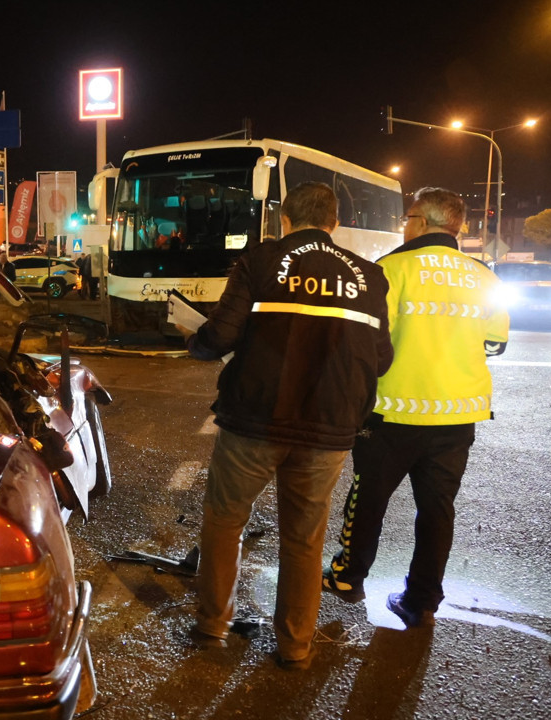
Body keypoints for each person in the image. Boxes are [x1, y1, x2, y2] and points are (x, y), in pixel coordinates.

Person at [179, 182, 393, 669]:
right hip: (330, 428)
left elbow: (221, 335)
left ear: (285, 218)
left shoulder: (260, 260)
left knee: (225, 520)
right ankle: (296, 646)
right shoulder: (369, 276)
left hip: (256, 419)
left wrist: (194, 339)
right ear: (334, 222)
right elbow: (380, 359)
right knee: (303, 538)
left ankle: (213, 623)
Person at [323, 188, 509, 628]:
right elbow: (495, 342)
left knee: (367, 497)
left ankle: (348, 577)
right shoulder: (484, 276)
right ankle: (422, 598)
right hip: (458, 414)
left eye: (407, 217)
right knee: (438, 508)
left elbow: (364, 341)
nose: (404, 225)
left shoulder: (389, 268)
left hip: (393, 412)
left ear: (421, 223)